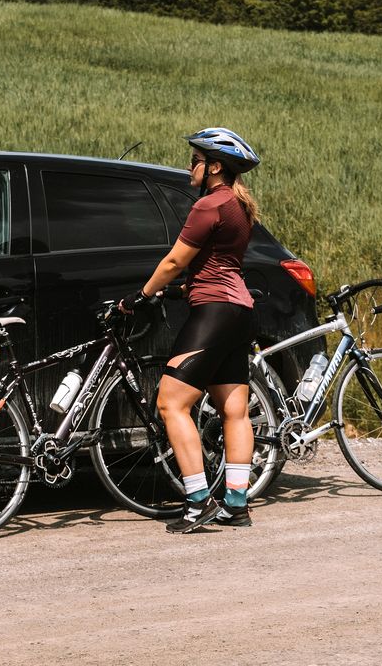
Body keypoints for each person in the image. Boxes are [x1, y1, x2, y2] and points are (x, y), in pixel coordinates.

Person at [120, 127, 261, 534]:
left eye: (196, 160)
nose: (190, 166)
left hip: (215, 314)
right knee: (234, 411)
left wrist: (139, 296)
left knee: (171, 403)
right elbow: (220, 264)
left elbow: (173, 261)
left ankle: (198, 501)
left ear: (215, 166)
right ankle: (236, 503)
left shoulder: (207, 206)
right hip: (239, 311)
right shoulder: (238, 206)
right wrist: (186, 290)